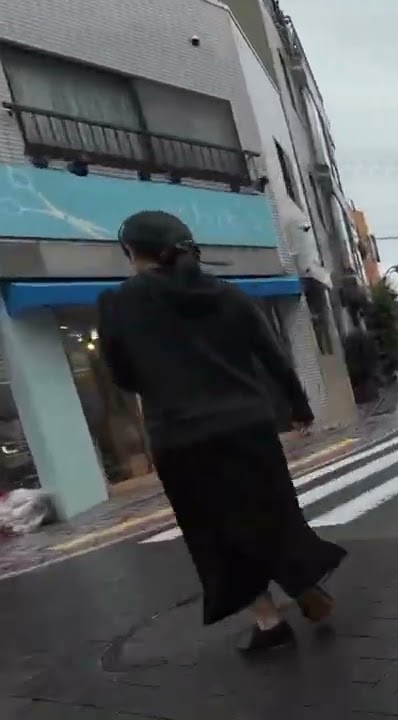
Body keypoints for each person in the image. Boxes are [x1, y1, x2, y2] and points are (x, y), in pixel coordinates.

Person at [97, 211, 347, 652]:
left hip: (180, 436)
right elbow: (272, 356)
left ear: (132, 252)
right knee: (273, 513)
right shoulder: (228, 295)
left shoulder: (118, 303)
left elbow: (124, 377)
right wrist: (299, 408)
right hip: (247, 425)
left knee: (215, 533)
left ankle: (269, 623)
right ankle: (302, 581)